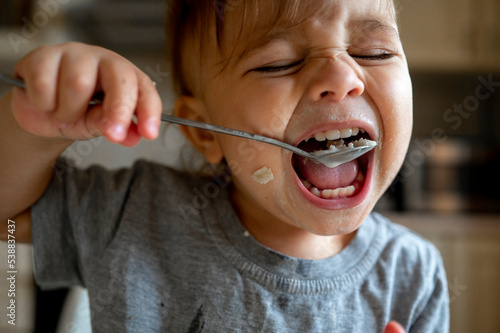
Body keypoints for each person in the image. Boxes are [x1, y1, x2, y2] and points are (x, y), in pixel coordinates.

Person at [0, 0, 449, 332]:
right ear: (205, 132)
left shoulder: (413, 275)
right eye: (280, 63)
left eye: (375, 52)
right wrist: (33, 127)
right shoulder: (134, 215)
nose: (343, 77)